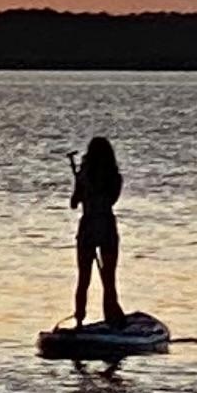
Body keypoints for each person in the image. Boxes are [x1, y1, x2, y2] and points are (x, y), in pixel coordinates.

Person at [70, 136, 126, 325]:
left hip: (88, 227)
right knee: (108, 277)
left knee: (84, 277)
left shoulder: (84, 176)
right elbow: (111, 200)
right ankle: (111, 315)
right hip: (106, 226)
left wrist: (81, 185)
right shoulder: (115, 177)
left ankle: (79, 319)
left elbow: (73, 203)